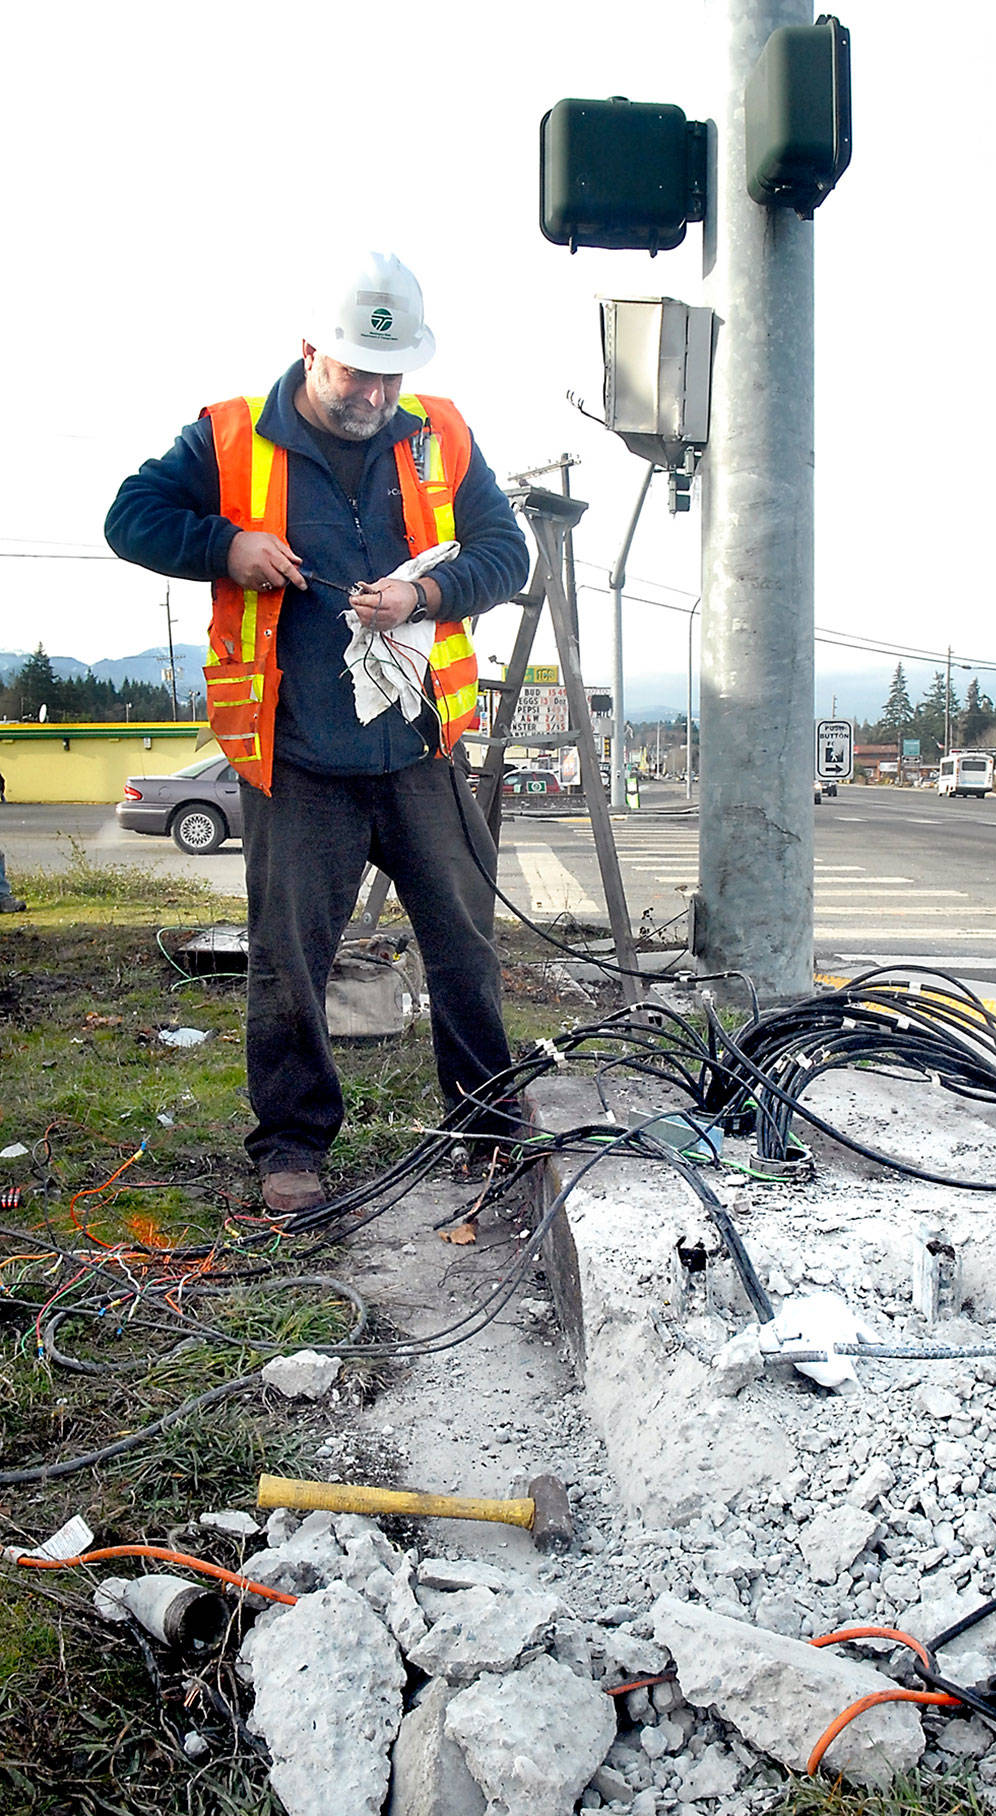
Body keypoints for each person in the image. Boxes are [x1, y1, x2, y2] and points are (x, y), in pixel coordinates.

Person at [105, 253, 529, 1214]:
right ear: (310, 352)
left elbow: (507, 553)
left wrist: (425, 592)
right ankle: (291, 1147)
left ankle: (490, 1124)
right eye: (356, 373)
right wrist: (226, 545)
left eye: (392, 375)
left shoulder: (440, 434)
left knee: (464, 942)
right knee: (289, 956)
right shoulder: (227, 438)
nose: (377, 394)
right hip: (297, 761)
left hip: (417, 748)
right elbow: (129, 517)